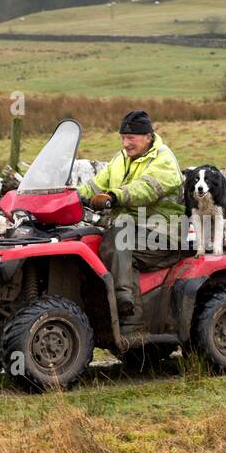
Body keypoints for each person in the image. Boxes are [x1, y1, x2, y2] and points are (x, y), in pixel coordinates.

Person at [76, 110, 184, 323]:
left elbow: (145, 189)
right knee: (87, 237)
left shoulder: (164, 159)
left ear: (148, 137)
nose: (126, 143)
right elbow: (94, 186)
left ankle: (127, 308)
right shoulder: (120, 160)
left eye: (131, 138)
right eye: (123, 138)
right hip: (132, 230)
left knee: (119, 237)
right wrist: (70, 196)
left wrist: (114, 197)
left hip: (162, 234)